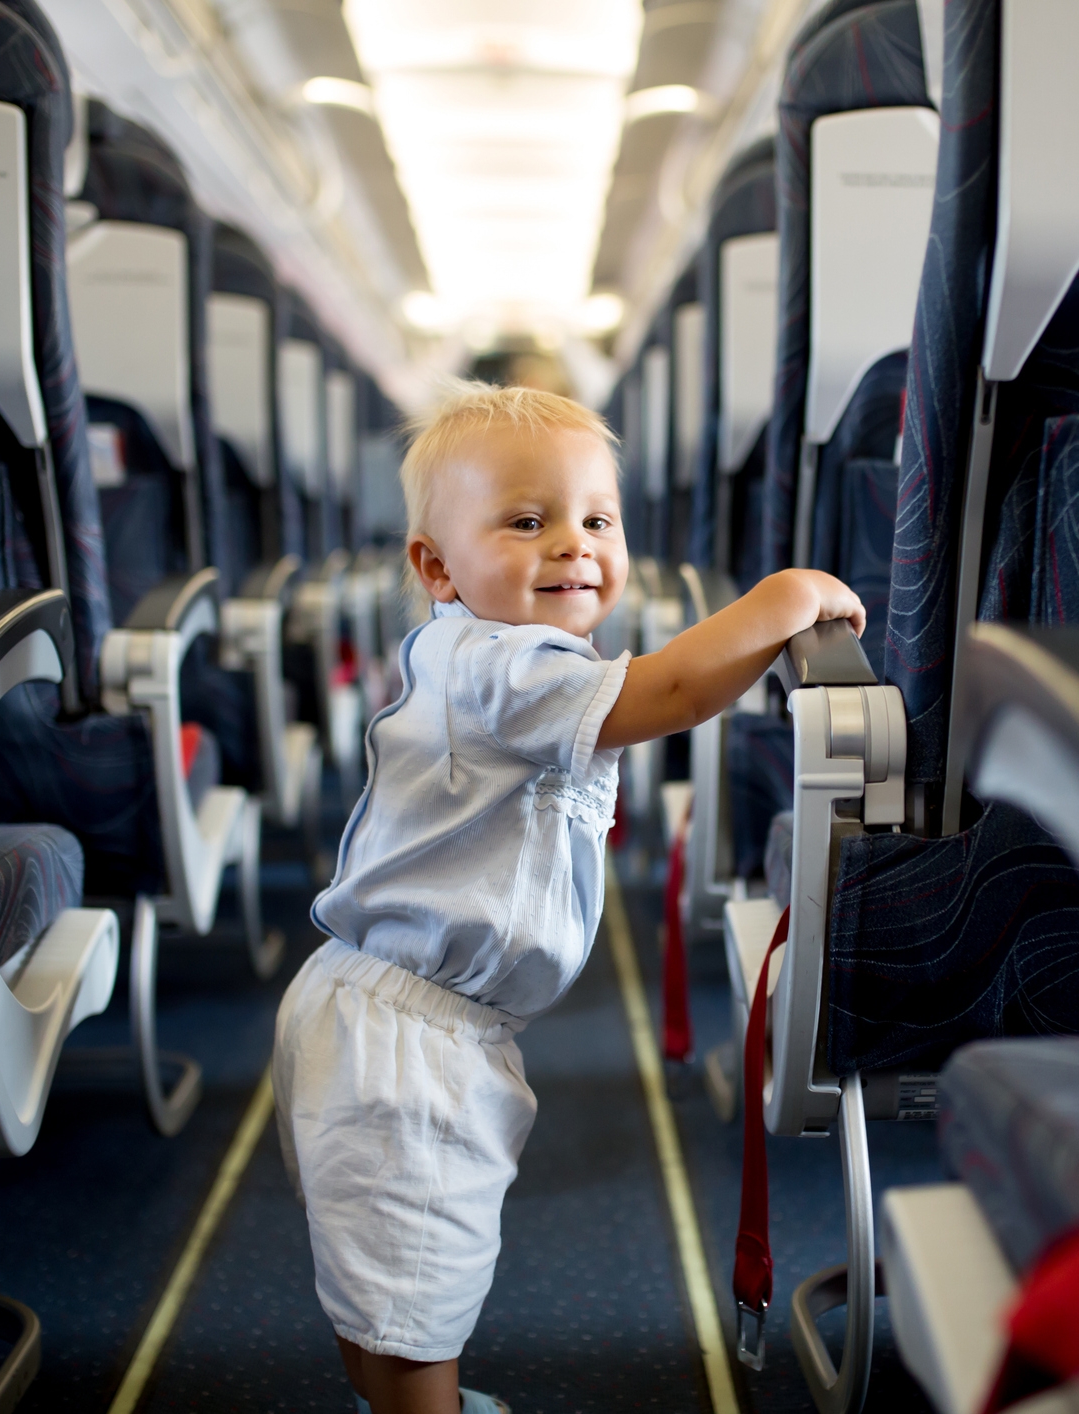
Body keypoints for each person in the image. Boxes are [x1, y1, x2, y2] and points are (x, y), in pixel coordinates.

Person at [272, 382, 864, 1414]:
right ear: (435, 565)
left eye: (598, 519)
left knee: (388, 1295)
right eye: (526, 520)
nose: (572, 546)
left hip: (390, 1014)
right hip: (407, 1042)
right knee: (412, 1303)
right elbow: (671, 694)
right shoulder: (505, 666)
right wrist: (784, 600)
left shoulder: (486, 655)